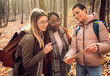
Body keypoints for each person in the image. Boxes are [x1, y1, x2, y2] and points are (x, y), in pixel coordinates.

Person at [64, 3, 110, 76]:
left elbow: (107, 46)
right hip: (80, 66)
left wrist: (98, 47)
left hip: (95, 66)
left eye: (77, 12)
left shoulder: (98, 25)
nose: (76, 16)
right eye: (74, 15)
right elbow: (73, 47)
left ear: (84, 10)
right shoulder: (76, 28)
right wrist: (69, 56)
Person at [13, 8, 53, 76]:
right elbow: (27, 64)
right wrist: (44, 52)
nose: (45, 24)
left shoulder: (40, 34)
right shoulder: (29, 38)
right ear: (34, 23)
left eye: (46, 21)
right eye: (42, 22)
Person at [43, 12, 71, 76]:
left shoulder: (63, 31)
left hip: (64, 63)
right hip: (51, 67)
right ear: (48, 23)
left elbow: (71, 43)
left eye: (57, 20)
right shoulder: (45, 35)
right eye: (53, 22)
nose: (56, 23)